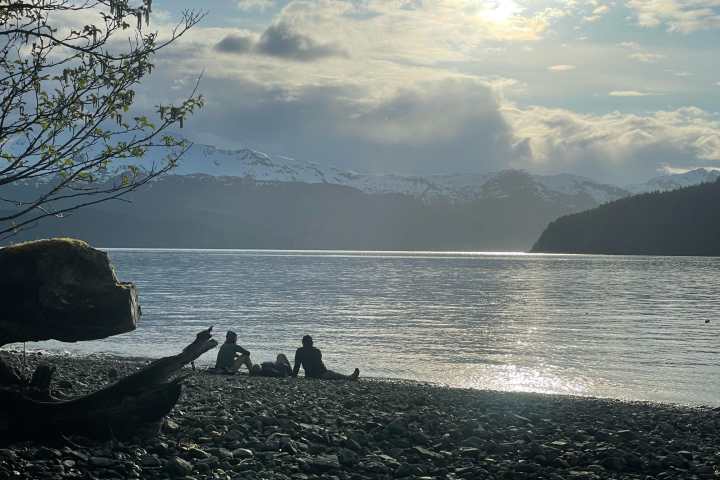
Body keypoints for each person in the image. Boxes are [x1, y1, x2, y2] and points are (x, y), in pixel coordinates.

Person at [292, 335, 359, 380]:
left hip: (309, 375)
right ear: (311, 343)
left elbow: (296, 366)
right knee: (335, 375)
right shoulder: (316, 351)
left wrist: (294, 377)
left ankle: (349, 377)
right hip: (321, 374)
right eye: (311, 342)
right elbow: (319, 364)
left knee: (333, 374)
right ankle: (350, 378)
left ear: (303, 343)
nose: (312, 343)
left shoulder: (299, 351)